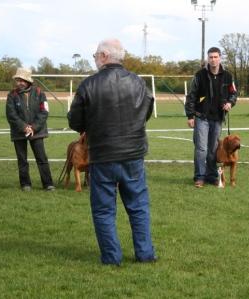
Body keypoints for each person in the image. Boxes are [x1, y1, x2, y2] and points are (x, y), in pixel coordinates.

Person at [68, 38, 156, 266]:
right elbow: (146, 111)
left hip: (103, 156)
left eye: (95, 55)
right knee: (138, 208)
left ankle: (111, 257)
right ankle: (145, 254)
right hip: (133, 155)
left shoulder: (88, 85)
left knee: (104, 211)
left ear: (105, 56)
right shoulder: (138, 83)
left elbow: (75, 121)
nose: (95, 59)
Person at [185, 47, 238, 188]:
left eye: (215, 57)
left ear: (220, 58)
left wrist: (229, 103)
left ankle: (212, 176)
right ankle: (200, 177)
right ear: (207, 59)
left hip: (218, 118)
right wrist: (190, 115)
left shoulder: (228, 76)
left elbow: (234, 94)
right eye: (210, 57)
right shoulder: (199, 75)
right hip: (201, 117)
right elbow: (191, 96)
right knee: (201, 148)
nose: (213, 59)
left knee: (213, 150)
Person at [6, 68, 55, 192]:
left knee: (42, 158)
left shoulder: (39, 93)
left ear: (28, 81)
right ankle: (25, 184)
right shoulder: (12, 95)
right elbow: (11, 114)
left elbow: (44, 112)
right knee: (22, 160)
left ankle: (48, 184)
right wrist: (24, 127)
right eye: (18, 80)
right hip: (19, 132)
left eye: (22, 80)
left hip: (37, 131)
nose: (19, 83)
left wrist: (33, 127)